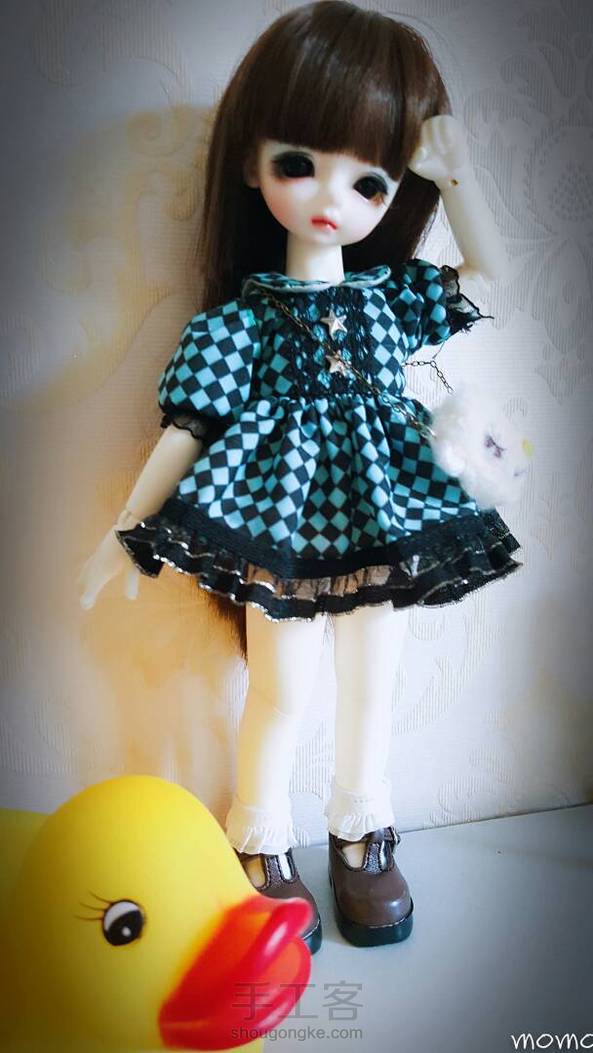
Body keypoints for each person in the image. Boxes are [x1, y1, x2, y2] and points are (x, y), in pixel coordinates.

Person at [79, 1, 522, 953]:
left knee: (372, 683)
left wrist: (460, 177)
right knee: (281, 691)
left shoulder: (390, 301)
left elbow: (488, 278)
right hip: (278, 525)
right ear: (251, 164)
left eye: (368, 180)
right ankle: (258, 839)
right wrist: (124, 532)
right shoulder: (241, 324)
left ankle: (361, 829)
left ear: (393, 191)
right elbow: (188, 428)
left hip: (382, 515)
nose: (330, 197)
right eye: (297, 164)